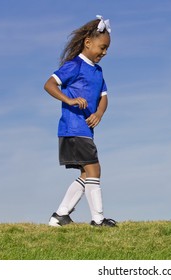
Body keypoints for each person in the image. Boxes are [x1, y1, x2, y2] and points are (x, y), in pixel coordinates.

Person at [44, 15, 117, 227]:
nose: (104, 53)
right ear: (88, 42)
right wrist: (69, 99)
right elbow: (49, 84)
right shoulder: (74, 65)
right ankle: (98, 220)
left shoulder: (98, 71)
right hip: (72, 128)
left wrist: (99, 114)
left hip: (85, 130)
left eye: (106, 50)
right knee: (94, 170)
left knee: (87, 173)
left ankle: (60, 216)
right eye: (101, 47)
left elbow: (104, 97)